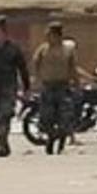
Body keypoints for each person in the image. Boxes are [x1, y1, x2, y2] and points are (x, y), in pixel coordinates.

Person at [32, 20, 78, 156]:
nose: (48, 37)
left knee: (65, 119)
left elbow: (73, 68)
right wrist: (37, 80)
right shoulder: (43, 49)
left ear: (58, 35)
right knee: (46, 119)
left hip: (63, 87)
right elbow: (36, 64)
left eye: (51, 34)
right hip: (48, 87)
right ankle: (51, 139)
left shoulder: (68, 49)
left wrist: (77, 83)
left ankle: (61, 141)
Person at [0, 14, 30, 158]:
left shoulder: (13, 48)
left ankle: (2, 143)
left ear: (3, 30)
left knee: (5, 115)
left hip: (8, 86)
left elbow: (22, 68)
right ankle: (3, 143)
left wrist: (26, 88)